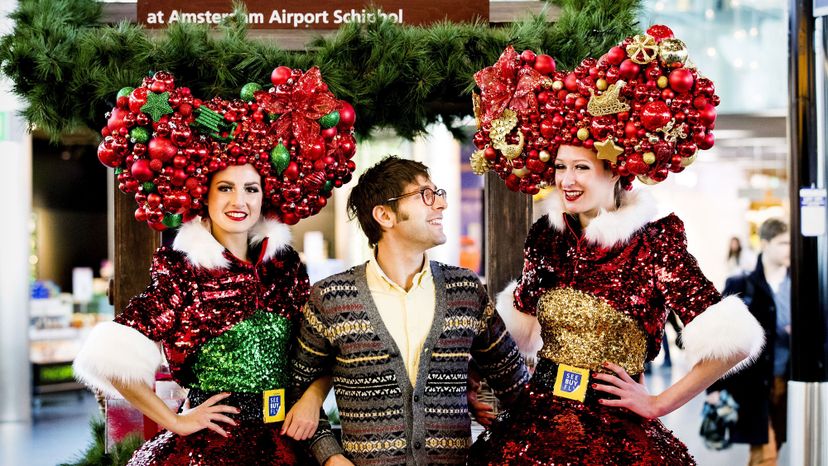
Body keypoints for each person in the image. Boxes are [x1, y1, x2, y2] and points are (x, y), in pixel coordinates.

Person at [466, 26, 766, 465]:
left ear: (616, 172)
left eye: (583, 167)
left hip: (615, 435)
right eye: (561, 167)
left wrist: (659, 403)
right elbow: (521, 320)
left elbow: (733, 342)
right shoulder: (546, 237)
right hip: (534, 423)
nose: (567, 181)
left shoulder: (656, 241)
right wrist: (476, 375)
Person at [73, 68, 356, 465]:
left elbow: (323, 349)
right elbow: (110, 357)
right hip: (210, 448)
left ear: (264, 198)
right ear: (203, 196)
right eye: (225, 188)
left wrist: (313, 397)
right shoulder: (183, 272)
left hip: (288, 439)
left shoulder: (286, 267)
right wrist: (176, 421)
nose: (239, 201)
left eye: (251, 189)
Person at [290, 156, 529, 465]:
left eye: (438, 194)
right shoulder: (331, 297)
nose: (440, 205)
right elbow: (296, 388)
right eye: (425, 195)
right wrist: (331, 457)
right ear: (385, 215)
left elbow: (517, 387)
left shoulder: (465, 291)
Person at [708, 218, 791, 465]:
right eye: (782, 243)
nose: (789, 248)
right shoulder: (740, 285)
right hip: (753, 382)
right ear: (765, 243)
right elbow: (720, 336)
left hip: (788, 380)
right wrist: (714, 387)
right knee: (765, 450)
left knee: (771, 447)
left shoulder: (801, 284)